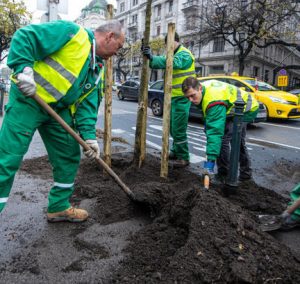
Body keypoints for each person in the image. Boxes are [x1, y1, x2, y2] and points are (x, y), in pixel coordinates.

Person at [0, 20, 125, 222]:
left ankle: (58, 207)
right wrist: (23, 70)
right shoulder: (72, 33)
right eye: (118, 47)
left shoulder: (97, 68)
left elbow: (87, 105)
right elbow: (25, 36)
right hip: (29, 100)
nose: (116, 53)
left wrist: (89, 137)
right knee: (8, 156)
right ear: (109, 36)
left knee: (68, 155)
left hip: (58, 109)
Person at [181, 77, 259, 181]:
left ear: (199, 88)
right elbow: (210, 119)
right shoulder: (203, 91)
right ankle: (239, 173)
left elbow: (215, 133)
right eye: (187, 97)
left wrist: (210, 163)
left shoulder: (213, 99)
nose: (190, 100)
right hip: (232, 107)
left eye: (192, 96)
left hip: (247, 109)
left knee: (229, 140)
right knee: (227, 139)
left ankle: (227, 174)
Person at [142, 32, 196, 167]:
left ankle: (184, 157)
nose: (168, 48)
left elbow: (174, 63)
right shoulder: (172, 54)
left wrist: (153, 57)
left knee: (178, 129)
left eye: (169, 44)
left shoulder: (185, 54)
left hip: (182, 98)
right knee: (172, 128)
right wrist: (149, 57)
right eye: (167, 45)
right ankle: (176, 151)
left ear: (175, 41)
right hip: (173, 97)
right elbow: (159, 63)